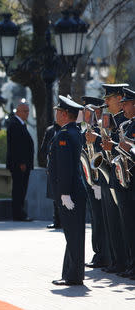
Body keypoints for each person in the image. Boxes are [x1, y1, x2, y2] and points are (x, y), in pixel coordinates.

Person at [48, 95, 86, 286]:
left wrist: (64, 193)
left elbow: (65, 167)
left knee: (73, 236)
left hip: (70, 192)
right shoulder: (75, 131)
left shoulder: (64, 135)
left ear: (64, 114)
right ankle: (70, 273)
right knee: (74, 235)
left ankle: (74, 276)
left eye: (58, 111)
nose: (56, 114)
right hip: (76, 191)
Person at [99, 83, 129, 274]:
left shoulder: (123, 121)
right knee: (113, 222)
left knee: (124, 223)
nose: (107, 103)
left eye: (109, 99)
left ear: (119, 98)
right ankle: (119, 260)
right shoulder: (112, 120)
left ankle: (126, 261)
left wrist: (113, 145)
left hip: (124, 177)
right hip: (113, 175)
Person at [81, 97, 110, 269]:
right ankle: (97, 252)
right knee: (95, 219)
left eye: (90, 112)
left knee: (103, 219)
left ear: (98, 112)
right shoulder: (84, 131)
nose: (87, 115)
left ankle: (104, 254)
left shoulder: (103, 130)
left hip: (102, 180)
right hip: (90, 181)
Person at [6, 103, 34, 221]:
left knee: (22, 188)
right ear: (18, 111)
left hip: (23, 164)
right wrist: (22, 162)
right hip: (19, 165)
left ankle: (19, 212)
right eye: (25, 111)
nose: (27, 114)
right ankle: (18, 213)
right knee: (19, 189)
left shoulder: (20, 124)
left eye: (28, 111)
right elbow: (17, 146)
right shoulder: (15, 124)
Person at [39, 122, 61, 229]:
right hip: (53, 167)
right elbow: (43, 149)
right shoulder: (50, 131)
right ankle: (57, 220)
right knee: (55, 195)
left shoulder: (71, 129)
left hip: (65, 167)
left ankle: (66, 220)